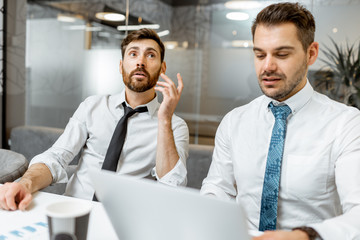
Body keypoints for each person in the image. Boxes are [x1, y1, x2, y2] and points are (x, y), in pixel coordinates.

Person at [201, 3, 360, 240]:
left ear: (311, 53)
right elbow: (217, 189)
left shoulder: (346, 125)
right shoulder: (234, 122)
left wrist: (304, 236)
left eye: (282, 54)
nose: (267, 66)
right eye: (259, 54)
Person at [0, 28, 189, 210]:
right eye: (133, 54)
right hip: (74, 210)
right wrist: (25, 184)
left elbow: (172, 185)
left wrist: (164, 119)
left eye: (150, 55)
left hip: (124, 221)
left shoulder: (175, 126)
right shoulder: (92, 107)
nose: (140, 61)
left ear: (163, 68)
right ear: (121, 65)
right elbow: (56, 157)